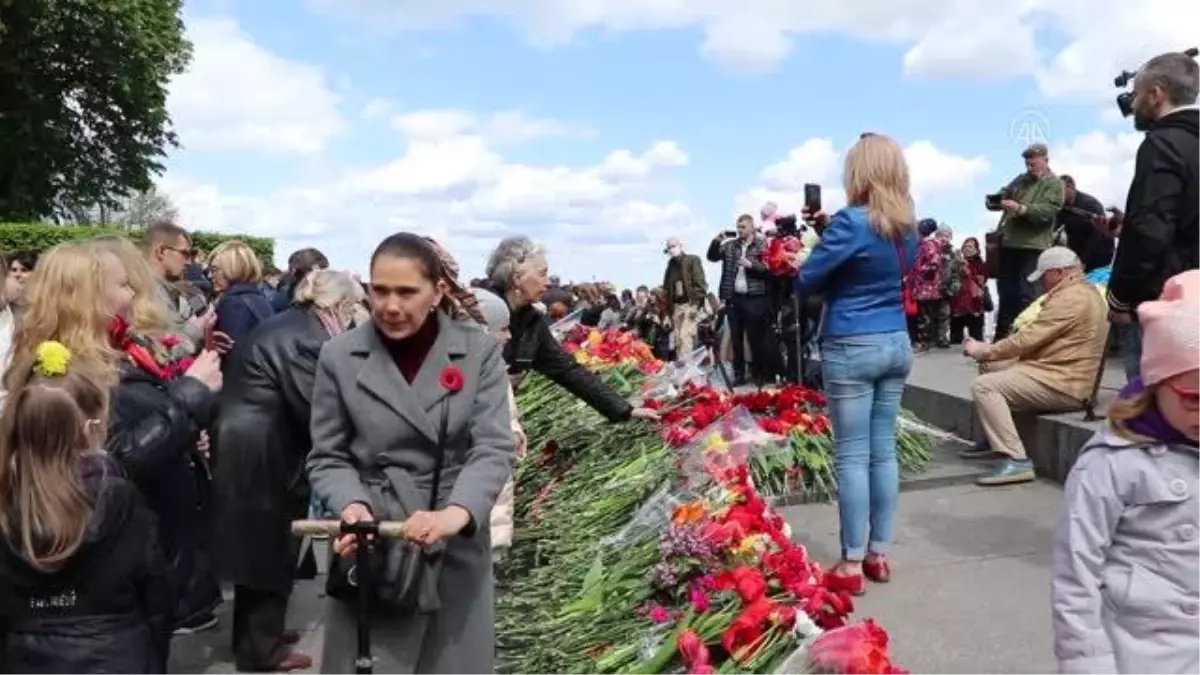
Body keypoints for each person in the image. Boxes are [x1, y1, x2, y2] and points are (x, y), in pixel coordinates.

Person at [307, 233, 516, 674]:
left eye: (406, 292)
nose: (390, 305)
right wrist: (353, 505)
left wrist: (457, 514)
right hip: (376, 541)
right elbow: (327, 456)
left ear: (437, 292)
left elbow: (493, 447)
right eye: (380, 290)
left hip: (453, 538)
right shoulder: (339, 355)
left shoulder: (477, 352)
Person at [1052, 270, 1200, 674]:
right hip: (1139, 652)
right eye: (1194, 398)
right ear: (1156, 382)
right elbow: (1076, 573)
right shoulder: (1113, 462)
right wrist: (1088, 663)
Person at [214, 270, 362, 672]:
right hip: (262, 451)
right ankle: (261, 649)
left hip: (250, 444)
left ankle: (258, 636)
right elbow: (317, 409)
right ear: (340, 305)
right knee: (269, 549)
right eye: (352, 308)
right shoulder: (308, 338)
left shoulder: (289, 324)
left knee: (259, 548)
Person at [793, 133, 918, 594]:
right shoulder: (908, 226)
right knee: (883, 451)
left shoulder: (850, 222)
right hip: (895, 340)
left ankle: (849, 562)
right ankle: (878, 553)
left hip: (852, 340)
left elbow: (807, 279)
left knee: (851, 455)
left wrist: (812, 249)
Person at [0, 344, 171, 675]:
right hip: (117, 654)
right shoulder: (117, 498)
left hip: (26, 656)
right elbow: (157, 592)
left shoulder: (8, 502)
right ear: (89, 427)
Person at [961, 247, 1108, 485]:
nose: (1041, 283)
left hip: (1064, 384)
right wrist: (990, 354)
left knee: (984, 386)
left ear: (1058, 272)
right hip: (1058, 372)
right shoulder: (1083, 292)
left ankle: (1016, 460)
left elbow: (1028, 339)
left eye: (1044, 276)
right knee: (991, 365)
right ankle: (995, 438)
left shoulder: (1071, 298)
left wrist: (983, 349)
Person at [482, 236, 659, 422]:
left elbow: (567, 370)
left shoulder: (531, 321)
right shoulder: (478, 313)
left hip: (497, 416)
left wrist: (624, 410)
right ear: (517, 278)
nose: (547, 282)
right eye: (542, 274)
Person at [1107, 51, 1200, 383]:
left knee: (1151, 398)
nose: (1132, 105)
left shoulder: (1162, 144)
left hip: (1163, 298)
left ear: (1156, 94)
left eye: (1136, 96)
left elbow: (1151, 229)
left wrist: (1121, 296)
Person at [468, 288, 528, 564]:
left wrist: (514, 432)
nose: (509, 336)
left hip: (495, 493)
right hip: (477, 504)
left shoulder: (492, 369)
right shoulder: (468, 373)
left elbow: (506, 415)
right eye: (502, 329)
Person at [988, 143, 1066, 340]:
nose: (1030, 168)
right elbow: (1003, 193)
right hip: (1010, 245)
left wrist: (1020, 209)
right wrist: (996, 201)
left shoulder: (1055, 184)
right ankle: (1001, 340)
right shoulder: (1020, 180)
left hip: (1034, 247)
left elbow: (1048, 211)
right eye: (1027, 164)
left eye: (1033, 164)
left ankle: (1027, 340)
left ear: (1045, 161)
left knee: (1028, 294)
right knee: (1007, 294)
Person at [707, 216, 773, 385]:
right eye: (738, 227)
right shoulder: (730, 245)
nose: (739, 230)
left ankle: (758, 374)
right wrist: (717, 240)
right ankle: (739, 375)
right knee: (736, 339)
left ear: (751, 228)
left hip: (754, 298)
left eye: (743, 227)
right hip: (734, 298)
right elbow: (712, 257)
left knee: (755, 338)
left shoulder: (761, 245)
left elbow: (769, 270)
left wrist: (751, 265)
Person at [142, 221, 211, 347]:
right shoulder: (147, 292)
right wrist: (197, 329)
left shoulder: (162, 289)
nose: (189, 262)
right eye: (185, 253)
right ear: (161, 251)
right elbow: (161, 352)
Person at [209, 240, 275, 349]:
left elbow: (232, 352)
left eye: (214, 270)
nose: (210, 275)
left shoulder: (234, 302)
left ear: (232, 269)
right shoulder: (257, 297)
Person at [662, 236, 708, 358]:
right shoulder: (670, 265)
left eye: (673, 246)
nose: (671, 250)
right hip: (676, 306)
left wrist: (696, 305)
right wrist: (667, 313)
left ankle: (686, 366)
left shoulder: (692, 260)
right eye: (669, 248)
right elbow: (666, 290)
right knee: (678, 340)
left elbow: (700, 283)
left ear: (680, 246)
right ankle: (683, 365)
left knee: (685, 337)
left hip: (690, 304)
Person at [1057, 175, 1111, 273]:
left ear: (1071, 186)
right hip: (1077, 253)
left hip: (1099, 255)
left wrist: (1084, 261)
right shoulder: (1062, 208)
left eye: (1059, 191)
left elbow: (1097, 235)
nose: (1057, 195)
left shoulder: (1090, 204)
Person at [949, 237, 989, 343]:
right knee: (955, 339)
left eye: (970, 247)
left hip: (975, 306)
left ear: (977, 250)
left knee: (976, 339)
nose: (967, 249)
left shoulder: (982, 265)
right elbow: (949, 279)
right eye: (965, 246)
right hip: (958, 307)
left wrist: (966, 269)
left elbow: (981, 281)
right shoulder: (955, 263)